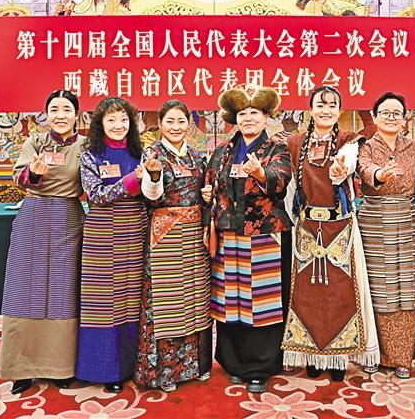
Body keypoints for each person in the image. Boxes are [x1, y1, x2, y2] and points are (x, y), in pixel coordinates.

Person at [281, 86, 379, 381]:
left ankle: (338, 359)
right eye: (320, 104)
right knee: (308, 294)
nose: (326, 110)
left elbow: (349, 160)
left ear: (339, 110)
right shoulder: (295, 142)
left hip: (340, 227)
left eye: (332, 105)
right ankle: (312, 355)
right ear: (310, 109)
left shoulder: (348, 140)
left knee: (340, 292)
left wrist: (340, 169)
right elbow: (290, 185)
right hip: (307, 227)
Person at [203, 85, 293, 394]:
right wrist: (208, 194)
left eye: (255, 112)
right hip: (229, 234)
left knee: (263, 302)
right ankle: (234, 363)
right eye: (242, 113)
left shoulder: (277, 148)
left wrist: (261, 173)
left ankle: (261, 367)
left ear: (266, 117)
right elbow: (211, 183)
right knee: (231, 300)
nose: (248, 118)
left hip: (264, 234)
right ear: (234, 118)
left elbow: (280, 180)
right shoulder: (222, 151)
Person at [0, 90, 85, 395]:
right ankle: (21, 369)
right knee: (24, 291)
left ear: (77, 115)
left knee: (63, 293)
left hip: (69, 219)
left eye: (66, 109)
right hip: (33, 216)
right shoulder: (34, 142)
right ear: (46, 114)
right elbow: (18, 178)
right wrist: (32, 173)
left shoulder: (86, 146)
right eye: (54, 109)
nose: (60, 115)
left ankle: (61, 367)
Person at [134, 100, 212, 392]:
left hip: (193, 235)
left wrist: (208, 196)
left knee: (195, 298)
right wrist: (154, 177)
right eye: (170, 121)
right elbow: (151, 197)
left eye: (181, 121)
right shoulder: (152, 154)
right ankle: (165, 373)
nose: (176, 127)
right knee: (167, 301)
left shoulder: (198, 156)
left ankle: (196, 366)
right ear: (161, 124)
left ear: (189, 124)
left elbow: (205, 192)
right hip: (165, 234)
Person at [76, 97, 147, 393]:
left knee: (132, 298)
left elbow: (152, 192)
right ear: (100, 123)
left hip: (136, 229)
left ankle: (132, 366)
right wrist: (131, 181)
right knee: (103, 303)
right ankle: (106, 369)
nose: (118, 125)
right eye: (111, 120)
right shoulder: (90, 156)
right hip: (102, 232)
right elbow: (96, 195)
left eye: (124, 120)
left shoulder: (142, 153)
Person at [357, 92, 415, 378]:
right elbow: (364, 169)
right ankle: (373, 351)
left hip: (408, 220)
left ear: (405, 118)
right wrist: (380, 175)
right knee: (376, 287)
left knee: (406, 288)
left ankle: (402, 358)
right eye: (385, 112)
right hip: (374, 220)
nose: (391, 117)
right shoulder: (365, 147)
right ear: (374, 116)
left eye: (397, 113)